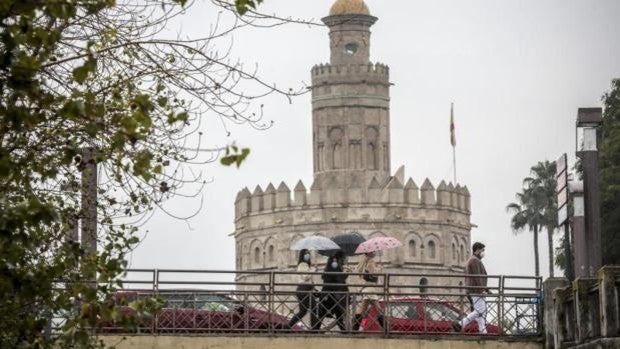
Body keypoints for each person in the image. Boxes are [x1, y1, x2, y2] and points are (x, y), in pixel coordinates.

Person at [453, 242, 490, 334]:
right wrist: (482, 290)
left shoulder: (473, 260)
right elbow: (477, 276)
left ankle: (483, 330)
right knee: (479, 311)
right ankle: (461, 324)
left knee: (482, 311)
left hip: (475, 289)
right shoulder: (474, 260)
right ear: (477, 250)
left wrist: (487, 290)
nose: (483, 252)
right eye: (482, 250)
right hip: (476, 290)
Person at [313, 251, 349, 332]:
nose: (342, 261)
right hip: (332, 296)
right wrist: (346, 273)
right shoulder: (335, 265)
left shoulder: (329, 267)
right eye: (342, 259)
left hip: (328, 295)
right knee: (337, 314)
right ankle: (344, 332)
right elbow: (339, 279)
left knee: (325, 314)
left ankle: (315, 330)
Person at [288, 249, 318, 329]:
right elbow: (305, 277)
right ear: (302, 255)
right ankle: (314, 329)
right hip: (303, 290)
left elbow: (309, 280)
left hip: (305, 290)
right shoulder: (302, 264)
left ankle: (287, 326)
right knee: (314, 308)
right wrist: (313, 269)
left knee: (303, 311)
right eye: (305, 254)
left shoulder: (307, 265)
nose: (307, 255)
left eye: (308, 253)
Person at [352, 252, 383, 331]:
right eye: (373, 251)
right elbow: (373, 273)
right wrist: (380, 268)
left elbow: (358, 271)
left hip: (367, 288)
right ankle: (386, 328)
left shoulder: (363, 262)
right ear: (369, 254)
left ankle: (354, 329)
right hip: (370, 288)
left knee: (363, 310)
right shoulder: (371, 262)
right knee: (378, 310)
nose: (374, 252)